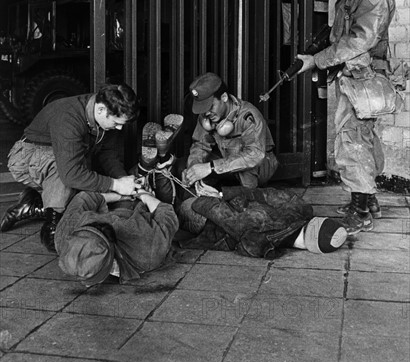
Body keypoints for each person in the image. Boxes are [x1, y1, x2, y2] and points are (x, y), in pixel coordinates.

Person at [296, 0, 396, 235]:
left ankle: (360, 210)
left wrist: (319, 59)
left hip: (363, 79)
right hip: (354, 78)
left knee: (351, 141)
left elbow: (360, 40)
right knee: (362, 139)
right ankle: (370, 200)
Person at [1, 83, 140, 252]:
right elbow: (71, 174)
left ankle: (34, 206)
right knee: (71, 171)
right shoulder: (68, 116)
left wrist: (124, 180)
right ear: (102, 110)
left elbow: (108, 153)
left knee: (83, 175)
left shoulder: (105, 111)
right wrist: (116, 186)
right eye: (117, 122)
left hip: (54, 158)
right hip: (26, 158)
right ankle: (52, 228)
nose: (119, 128)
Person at [55, 185, 179, 286]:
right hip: (116, 204)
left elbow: (167, 215)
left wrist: (144, 195)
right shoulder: (63, 236)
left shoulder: (146, 252)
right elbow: (85, 197)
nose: (86, 285)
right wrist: (122, 195)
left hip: (134, 210)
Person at [178, 186, 347, 258]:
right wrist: (204, 201)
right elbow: (225, 216)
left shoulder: (301, 207)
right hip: (212, 214)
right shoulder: (264, 241)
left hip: (217, 211)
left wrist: (221, 194)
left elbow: (264, 193)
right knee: (184, 205)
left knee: (184, 203)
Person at [181, 72, 278, 193]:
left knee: (246, 170)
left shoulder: (248, 115)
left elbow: (255, 155)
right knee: (183, 165)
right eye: (203, 109)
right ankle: (212, 191)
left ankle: (249, 197)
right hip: (226, 161)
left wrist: (211, 167)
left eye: (210, 107)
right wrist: (193, 169)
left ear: (224, 97)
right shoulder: (207, 117)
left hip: (259, 164)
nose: (206, 113)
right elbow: (200, 145)